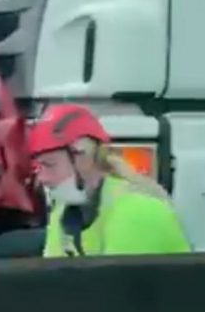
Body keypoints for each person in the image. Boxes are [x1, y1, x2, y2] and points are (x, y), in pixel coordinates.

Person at [29, 103, 191, 257]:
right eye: (38, 167)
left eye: (49, 165)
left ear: (83, 157)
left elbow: (118, 277)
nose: (42, 178)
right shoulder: (63, 213)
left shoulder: (135, 212)